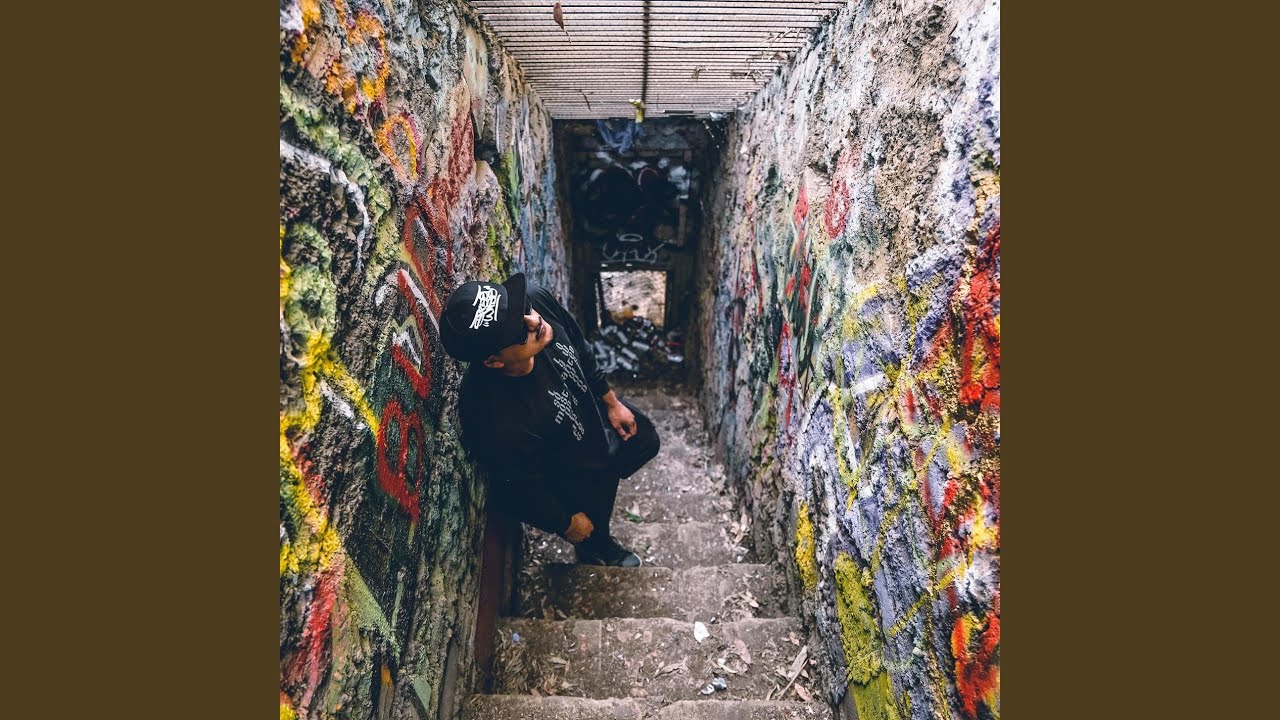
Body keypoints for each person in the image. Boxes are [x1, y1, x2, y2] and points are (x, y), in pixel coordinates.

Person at [439, 272, 660, 567]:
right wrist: (565, 522)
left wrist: (611, 402)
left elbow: (580, 347)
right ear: (493, 361)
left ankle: (603, 483)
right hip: (569, 470)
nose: (534, 322)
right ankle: (597, 548)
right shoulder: (494, 416)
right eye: (519, 332)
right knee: (592, 523)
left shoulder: (537, 300)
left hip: (593, 420)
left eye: (522, 308)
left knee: (646, 441)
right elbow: (518, 487)